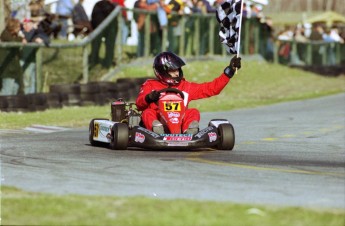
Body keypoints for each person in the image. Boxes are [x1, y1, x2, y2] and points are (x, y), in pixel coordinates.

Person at [136, 51, 241, 134]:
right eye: (173, 70)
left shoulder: (185, 86)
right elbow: (139, 104)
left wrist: (229, 72)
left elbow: (212, 88)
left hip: (179, 123)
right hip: (158, 121)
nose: (177, 73)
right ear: (162, 72)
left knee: (193, 112)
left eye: (177, 69)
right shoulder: (150, 85)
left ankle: (189, 131)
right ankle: (157, 130)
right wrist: (148, 98)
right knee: (147, 113)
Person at [21, 18, 50, 94]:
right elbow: (26, 38)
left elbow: (47, 40)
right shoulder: (21, 33)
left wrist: (39, 39)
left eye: (27, 24)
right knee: (26, 79)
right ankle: (27, 97)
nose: (25, 26)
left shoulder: (36, 33)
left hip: (32, 59)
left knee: (32, 79)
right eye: (24, 24)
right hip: (23, 58)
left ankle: (31, 97)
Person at [0, 18, 26, 95]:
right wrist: (21, 38)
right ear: (13, 27)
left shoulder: (15, 35)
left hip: (15, 67)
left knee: (15, 89)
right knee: (7, 90)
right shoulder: (5, 34)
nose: (19, 29)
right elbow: (13, 43)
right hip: (8, 68)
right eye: (18, 27)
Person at [89, 0, 117, 68]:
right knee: (107, 45)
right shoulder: (111, 6)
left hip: (100, 28)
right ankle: (107, 62)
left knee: (97, 44)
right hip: (106, 29)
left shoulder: (98, 5)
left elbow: (93, 17)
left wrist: (93, 27)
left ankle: (94, 60)